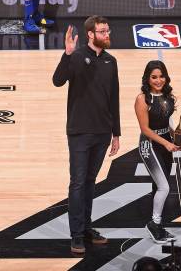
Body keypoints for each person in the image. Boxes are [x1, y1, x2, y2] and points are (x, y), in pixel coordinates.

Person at [52, 16, 121, 254]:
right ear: (90, 34)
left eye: (107, 30)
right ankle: (76, 234)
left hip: (102, 132)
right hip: (80, 131)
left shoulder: (111, 61)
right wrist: (67, 54)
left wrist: (116, 133)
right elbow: (57, 81)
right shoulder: (78, 56)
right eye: (102, 31)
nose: (107, 34)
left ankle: (87, 227)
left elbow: (114, 99)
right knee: (78, 183)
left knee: (90, 183)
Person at [135, 60, 179, 244]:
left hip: (165, 142)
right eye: (154, 77)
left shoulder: (168, 97)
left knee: (158, 185)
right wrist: (166, 143)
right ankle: (154, 224)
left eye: (161, 76)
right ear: (147, 78)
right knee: (164, 187)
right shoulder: (142, 99)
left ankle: (158, 226)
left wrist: (179, 137)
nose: (159, 80)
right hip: (149, 145)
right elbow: (145, 129)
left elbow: (166, 122)